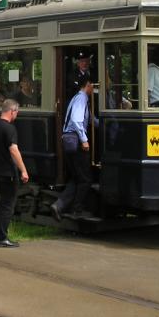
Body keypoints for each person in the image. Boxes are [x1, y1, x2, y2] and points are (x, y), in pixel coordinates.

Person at [51, 75, 95, 221]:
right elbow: (77, 120)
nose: (94, 88)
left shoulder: (77, 98)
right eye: (93, 85)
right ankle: (77, 209)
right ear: (88, 85)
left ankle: (59, 205)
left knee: (76, 178)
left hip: (68, 141)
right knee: (85, 179)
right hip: (76, 142)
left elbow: (88, 119)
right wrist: (84, 140)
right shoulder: (82, 99)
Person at [0, 99, 29, 247]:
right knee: (7, 205)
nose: (16, 115)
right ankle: (1, 237)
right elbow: (14, 150)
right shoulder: (10, 129)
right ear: (12, 111)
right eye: (16, 112)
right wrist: (23, 170)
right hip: (8, 173)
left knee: (3, 203)